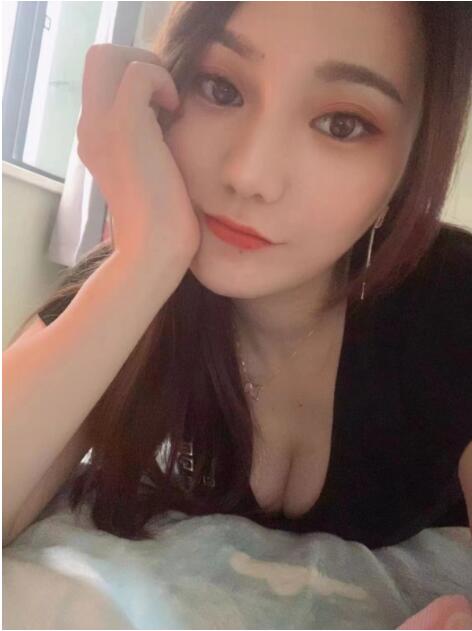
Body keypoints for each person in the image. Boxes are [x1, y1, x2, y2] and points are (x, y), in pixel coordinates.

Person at [3, 2, 472, 551]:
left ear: (410, 170)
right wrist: (148, 260)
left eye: (342, 125)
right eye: (221, 89)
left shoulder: (454, 300)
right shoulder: (131, 283)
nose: (250, 175)